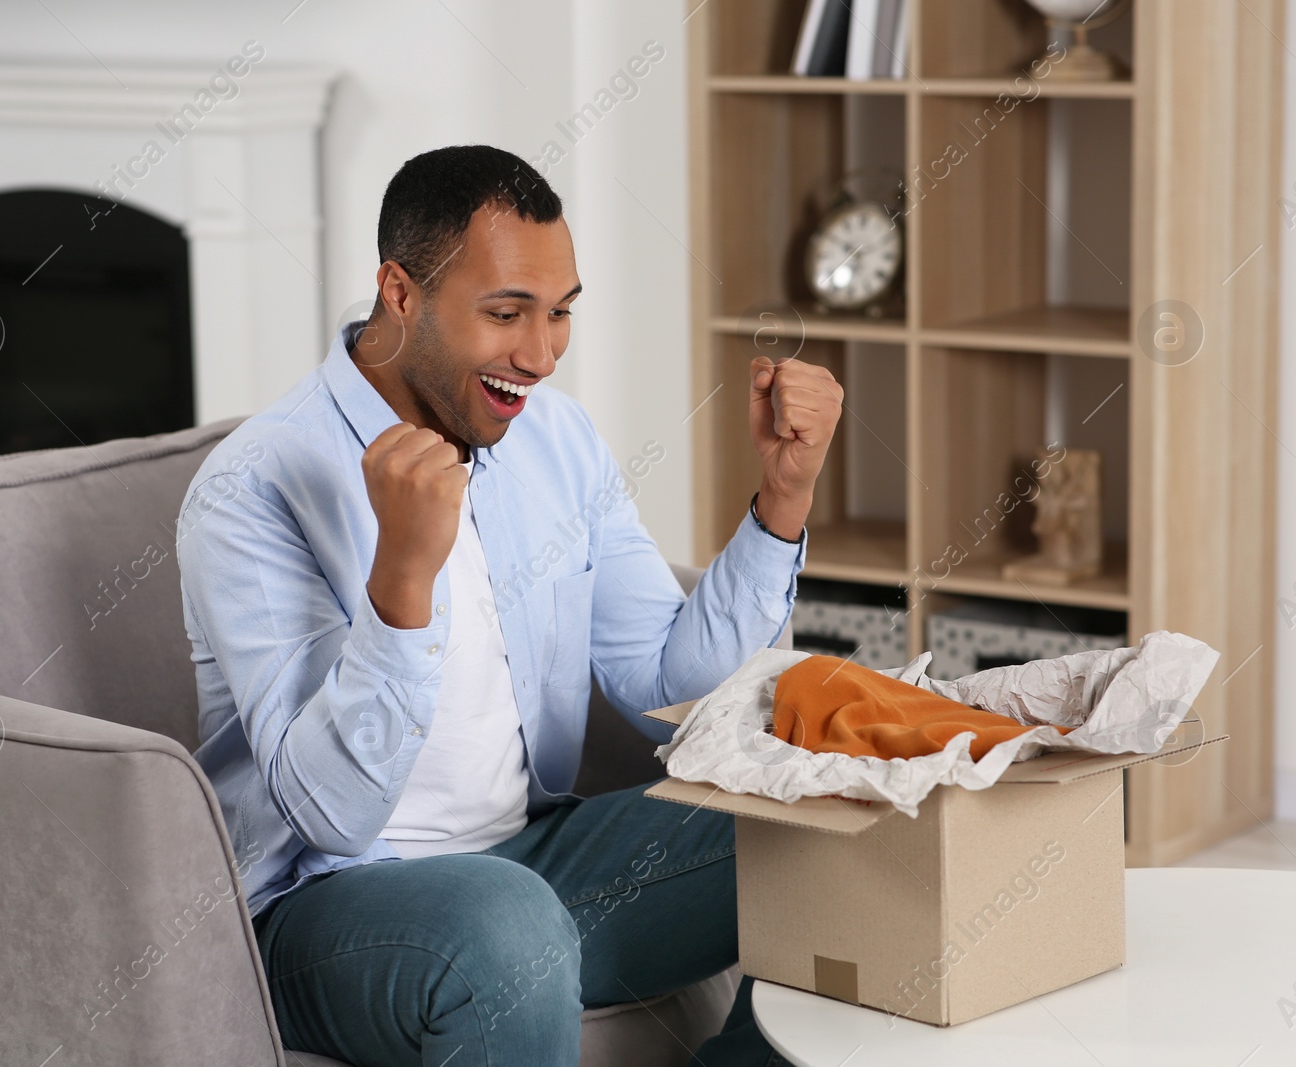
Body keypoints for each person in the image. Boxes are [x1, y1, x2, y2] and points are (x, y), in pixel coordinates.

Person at [176, 144, 842, 1065]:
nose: (539, 355)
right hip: (322, 908)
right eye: (505, 314)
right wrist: (403, 585)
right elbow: (328, 813)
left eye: (561, 312)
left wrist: (783, 503)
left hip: (530, 857)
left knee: (825, 805)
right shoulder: (254, 487)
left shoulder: (556, 440)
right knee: (506, 923)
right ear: (401, 295)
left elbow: (668, 679)